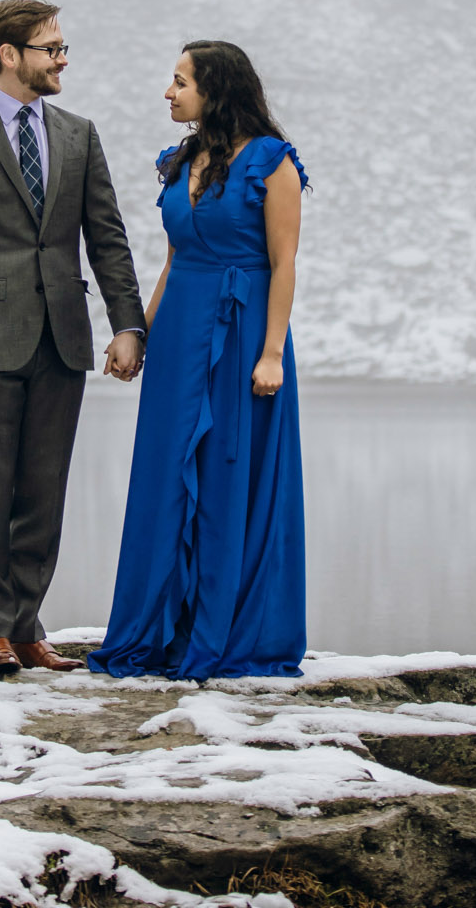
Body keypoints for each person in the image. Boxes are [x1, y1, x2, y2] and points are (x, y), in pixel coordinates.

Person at [0, 0, 146, 680]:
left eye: (63, 46)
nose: (63, 59)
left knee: (43, 491)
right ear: (9, 54)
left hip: (65, 340)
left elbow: (107, 237)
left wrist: (128, 324)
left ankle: (25, 631)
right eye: (51, 48)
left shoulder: (79, 134)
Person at [89, 40, 307, 681]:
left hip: (242, 333)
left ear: (215, 88)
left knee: (226, 474)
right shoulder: (179, 160)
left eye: (180, 81)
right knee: (165, 473)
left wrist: (272, 354)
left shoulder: (273, 162)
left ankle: (225, 630)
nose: (169, 92)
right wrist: (141, 336)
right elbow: (175, 259)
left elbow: (285, 263)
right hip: (182, 329)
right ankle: (157, 629)